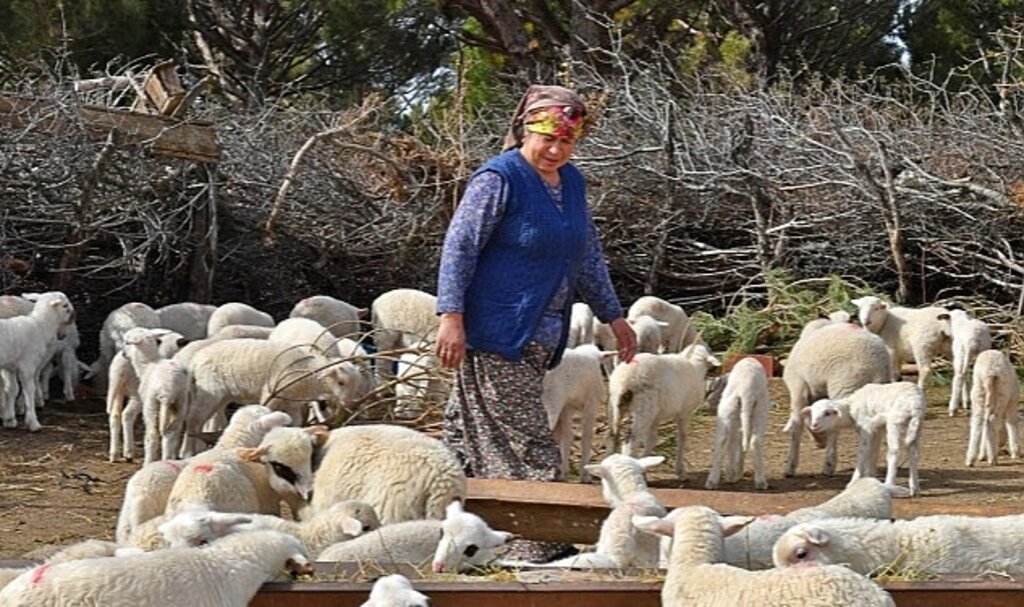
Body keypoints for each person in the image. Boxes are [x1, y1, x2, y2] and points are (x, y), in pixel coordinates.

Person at [434, 84, 638, 561]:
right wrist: (451, 316)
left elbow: (586, 254)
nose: (555, 150)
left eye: (566, 142)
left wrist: (614, 316)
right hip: (496, 332)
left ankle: (466, 538)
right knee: (525, 442)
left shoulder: (571, 183)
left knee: (470, 436)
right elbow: (459, 246)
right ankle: (535, 545)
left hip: (540, 338)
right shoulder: (499, 179)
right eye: (546, 138)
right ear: (525, 129)